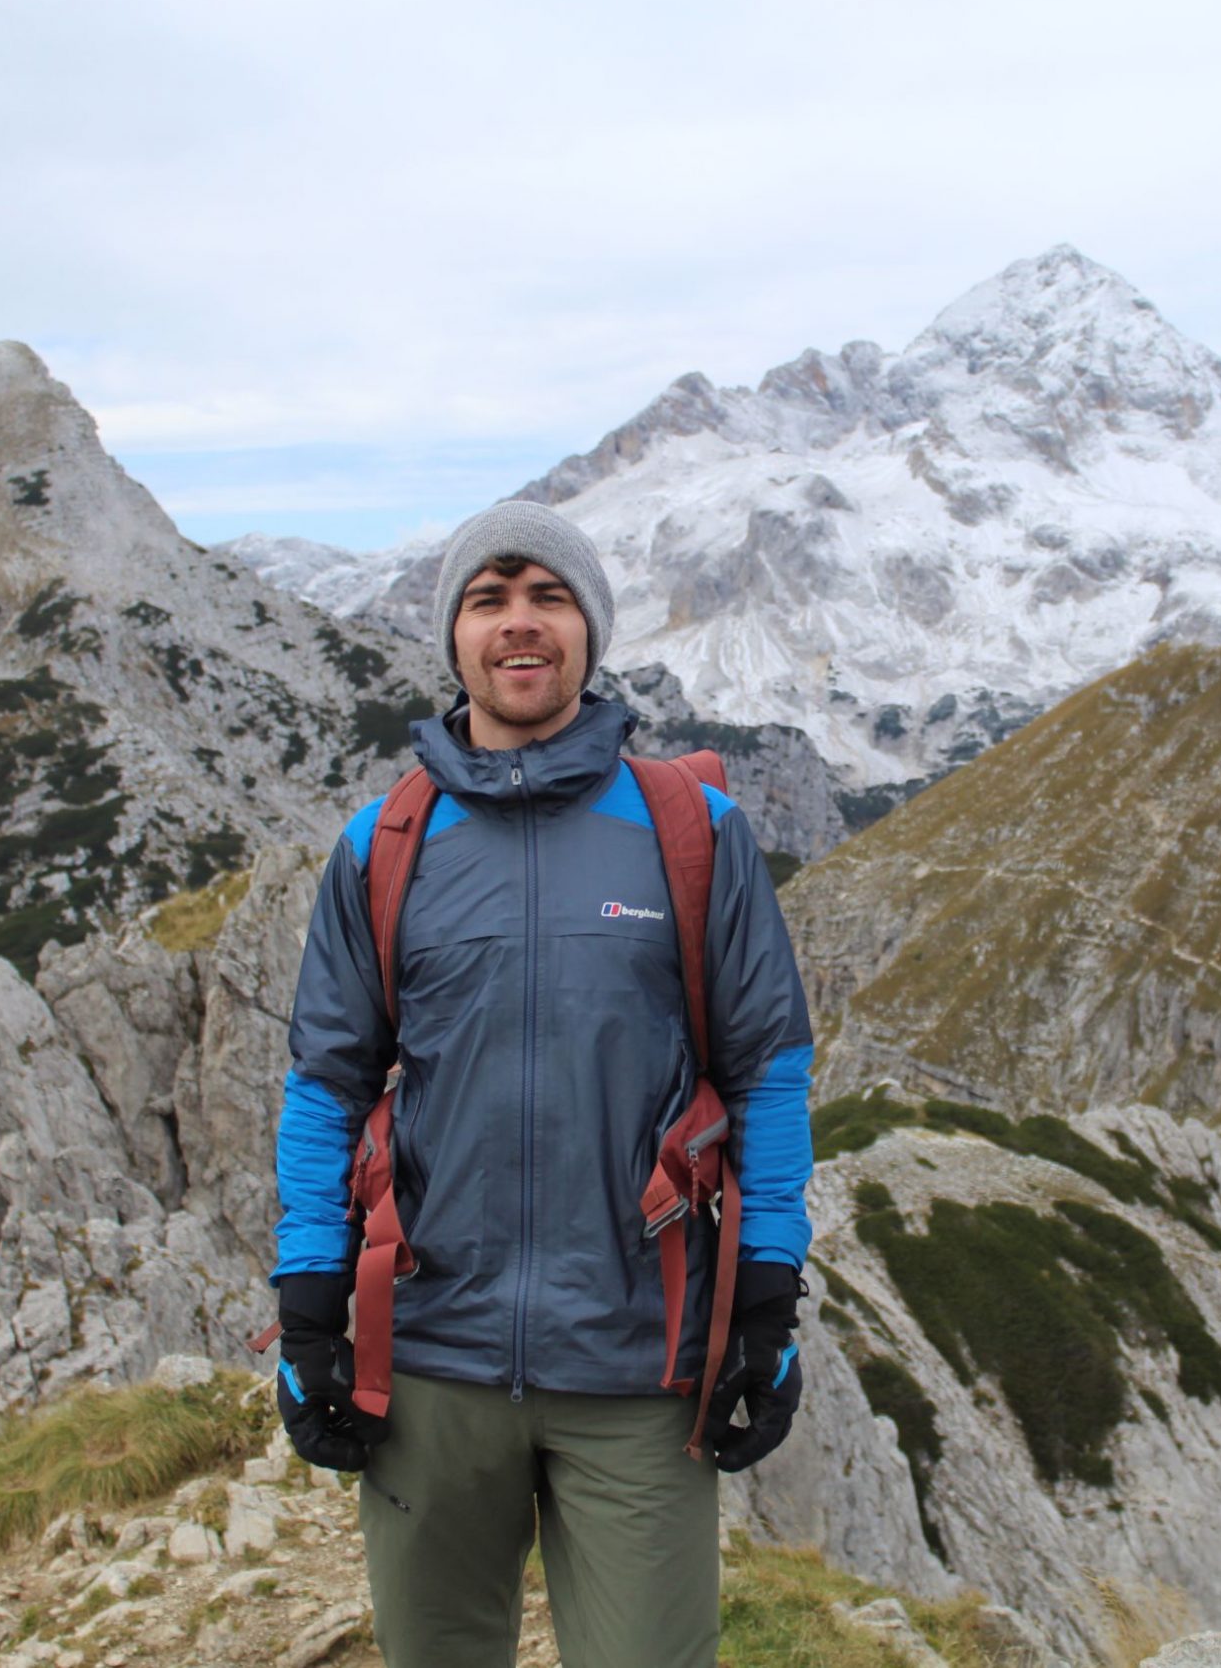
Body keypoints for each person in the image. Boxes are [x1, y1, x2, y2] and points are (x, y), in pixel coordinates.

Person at [268, 500, 815, 1668]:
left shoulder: (693, 832)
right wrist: (308, 1299)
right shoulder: (384, 843)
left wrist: (766, 1290)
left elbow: (768, 1075)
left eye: (547, 596)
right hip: (428, 1367)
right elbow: (326, 1083)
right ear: (454, 635)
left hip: (635, 1365)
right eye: (488, 598)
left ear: (590, 629)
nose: (519, 624)